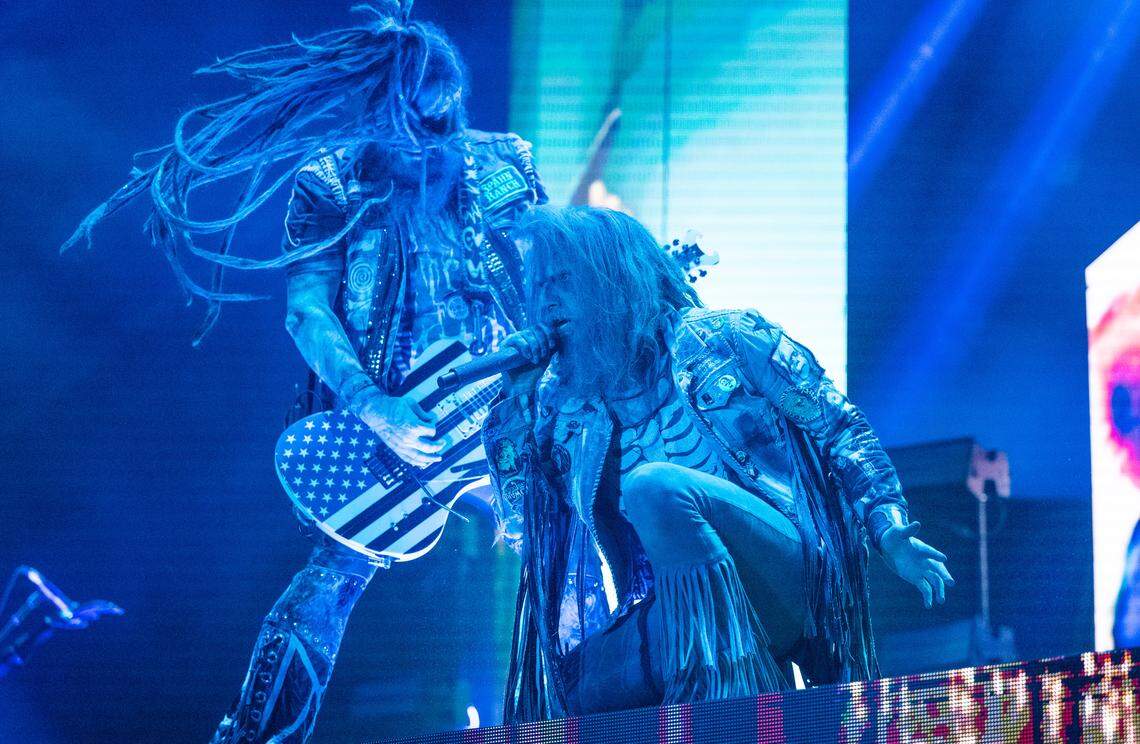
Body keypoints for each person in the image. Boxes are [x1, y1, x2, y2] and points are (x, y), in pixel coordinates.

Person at [62, 3, 544, 741]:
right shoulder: (330, 182)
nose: (431, 139)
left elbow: (549, 271)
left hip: (505, 407)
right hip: (393, 423)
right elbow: (307, 312)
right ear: (379, 112)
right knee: (334, 574)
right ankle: (254, 734)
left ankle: (593, 709)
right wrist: (376, 406)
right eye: (413, 120)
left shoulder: (505, 159)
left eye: (442, 118)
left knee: (572, 526)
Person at [482, 206, 953, 721]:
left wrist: (887, 528)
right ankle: (731, 697)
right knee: (578, 686)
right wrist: (517, 405)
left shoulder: (728, 338)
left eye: (563, 280)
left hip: (786, 579)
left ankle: (724, 709)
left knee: (654, 488)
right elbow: (523, 527)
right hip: (683, 611)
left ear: (612, 276)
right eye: (539, 284)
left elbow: (838, 428)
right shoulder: (567, 411)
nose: (546, 300)